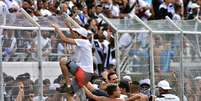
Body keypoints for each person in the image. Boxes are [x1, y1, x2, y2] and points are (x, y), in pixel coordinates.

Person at [51, 21, 93, 100]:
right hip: (87, 75)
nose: (74, 34)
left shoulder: (83, 42)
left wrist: (57, 29)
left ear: (80, 35)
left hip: (83, 72)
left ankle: (67, 82)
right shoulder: (84, 42)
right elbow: (74, 37)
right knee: (69, 94)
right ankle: (68, 83)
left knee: (63, 61)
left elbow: (64, 39)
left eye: (76, 33)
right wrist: (70, 27)